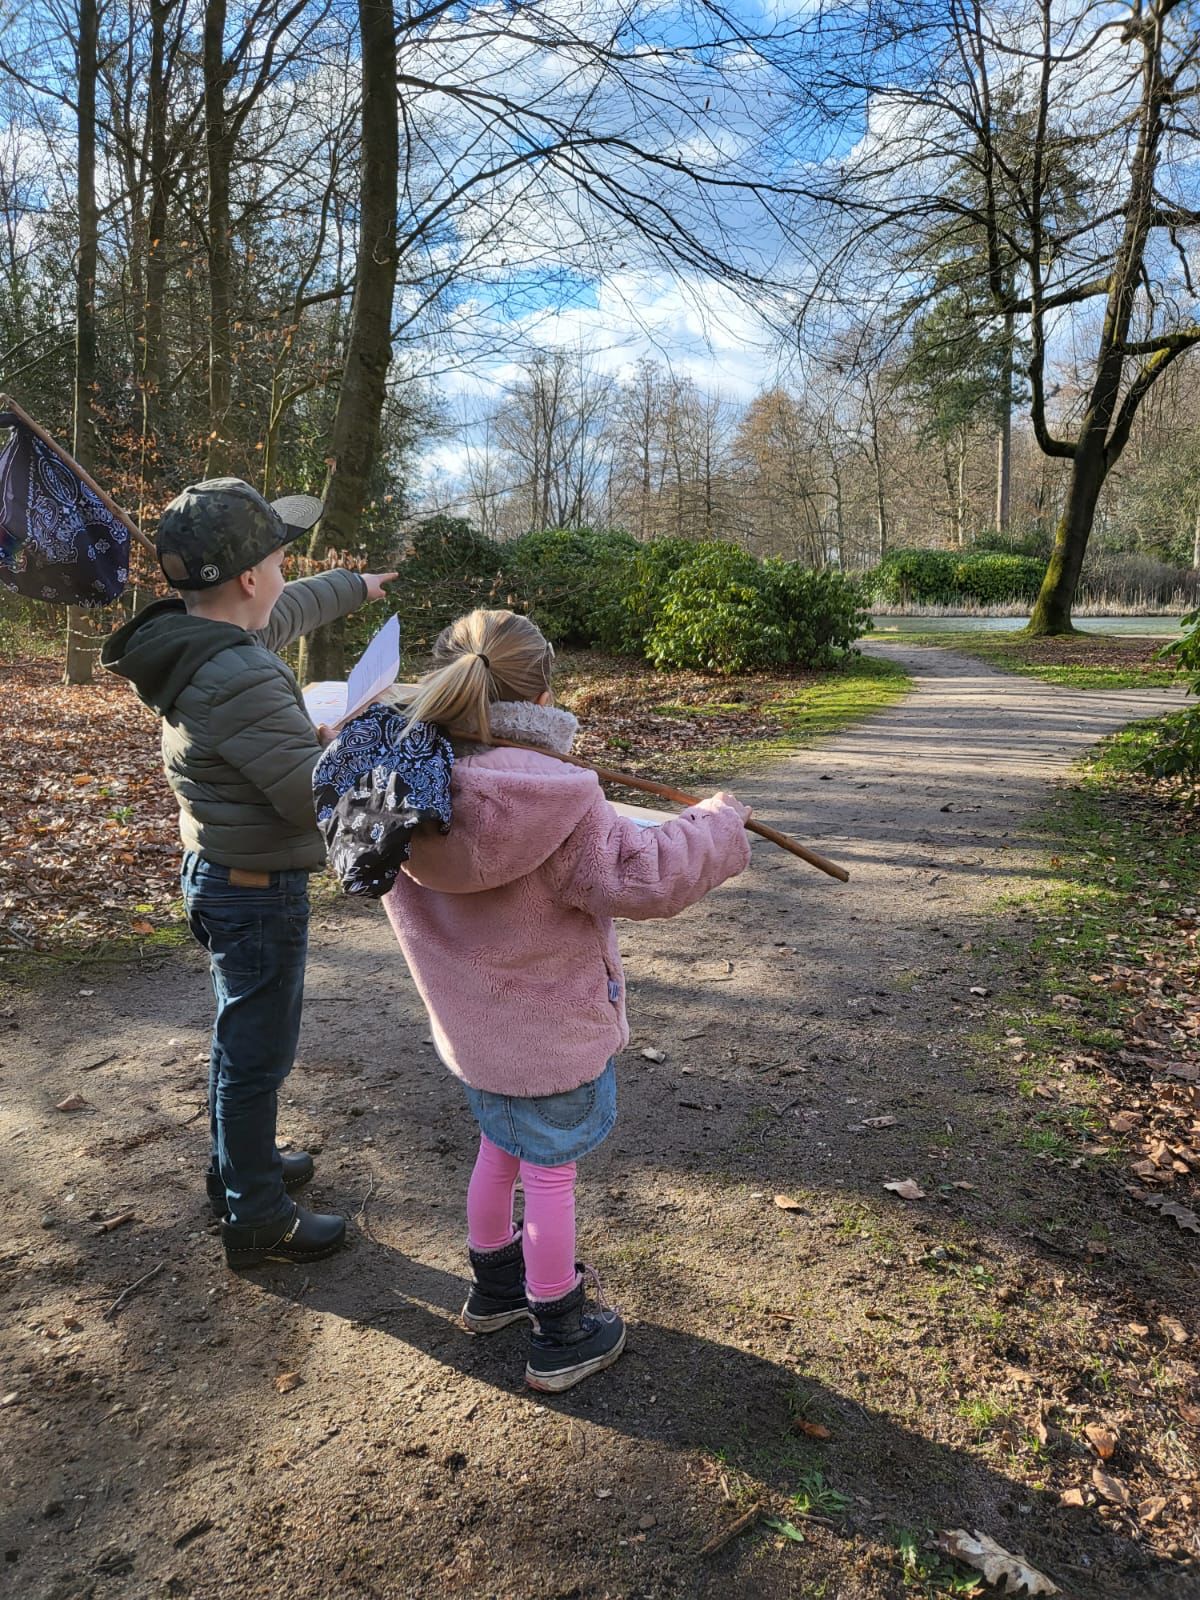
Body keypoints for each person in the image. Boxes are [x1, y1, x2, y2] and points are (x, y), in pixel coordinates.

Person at [380, 608, 752, 1391]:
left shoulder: (399, 779)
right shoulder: (561, 798)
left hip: (477, 1036)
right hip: (550, 1034)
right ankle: (560, 1328)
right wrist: (716, 826)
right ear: (544, 690)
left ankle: (495, 1291)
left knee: (501, 1151)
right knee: (549, 1175)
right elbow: (647, 872)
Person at [102, 477, 397, 1267]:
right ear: (246, 579)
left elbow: (290, 610)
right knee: (257, 1055)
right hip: (255, 893)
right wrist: (355, 737)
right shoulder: (239, 675)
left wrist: (354, 586)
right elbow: (310, 799)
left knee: (240, 1043)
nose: (283, 569)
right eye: (277, 557)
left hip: (223, 874)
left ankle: (239, 1169)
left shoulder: (206, 640)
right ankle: (257, 1216)